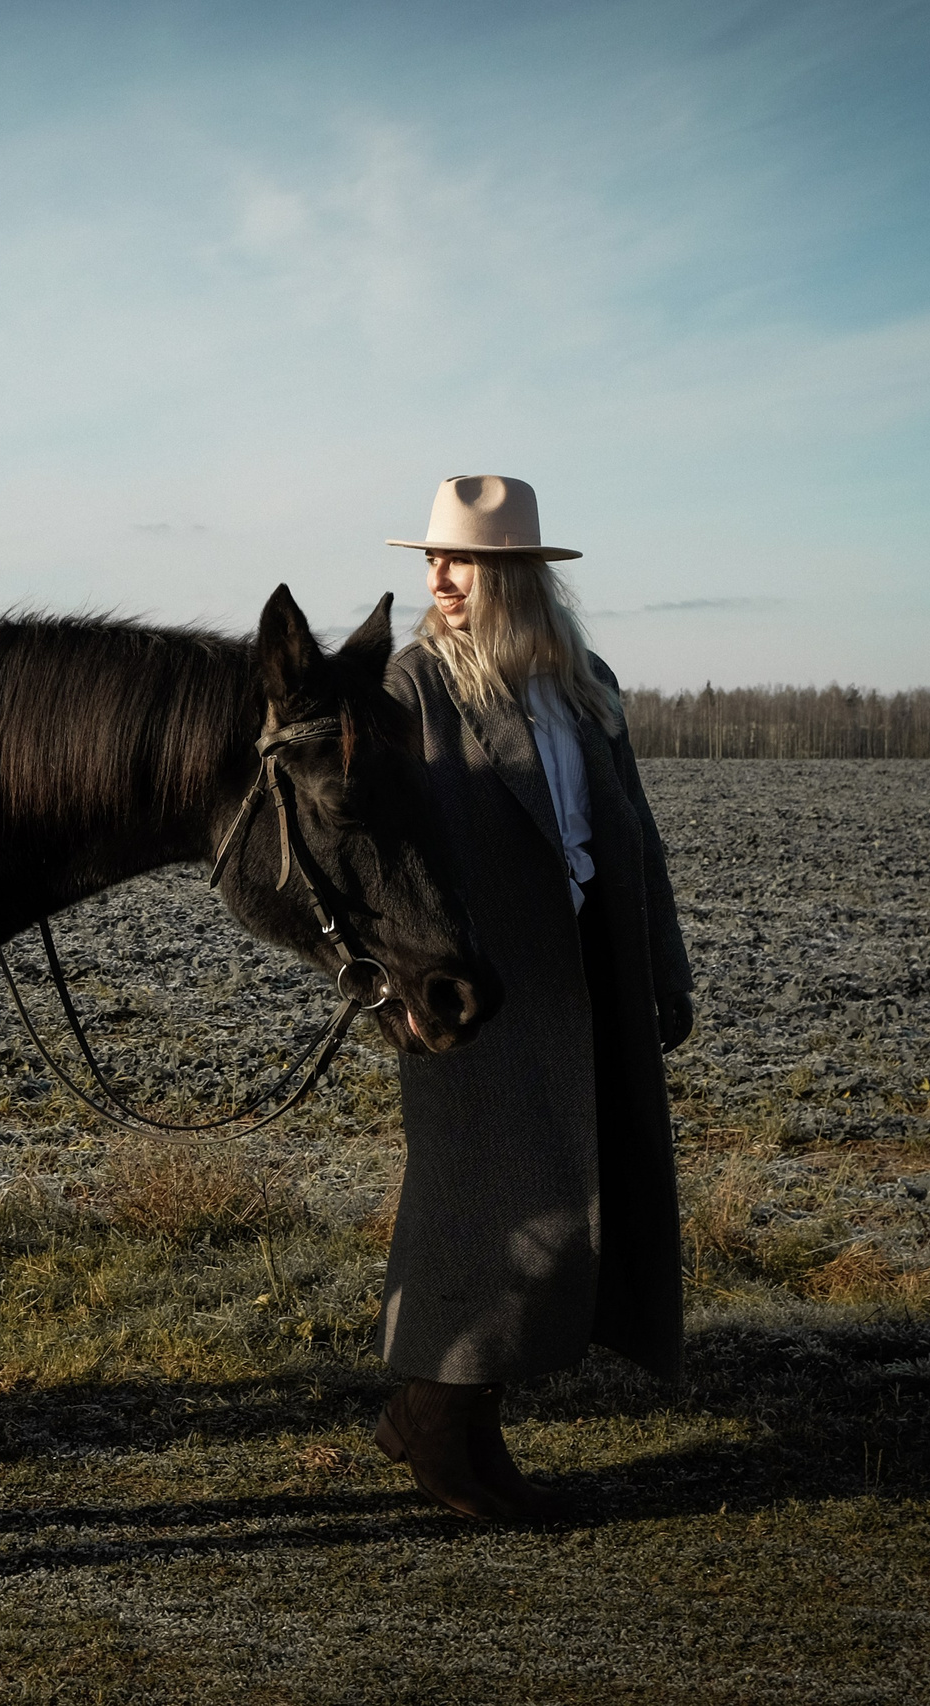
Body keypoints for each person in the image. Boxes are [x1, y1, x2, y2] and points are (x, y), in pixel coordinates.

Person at [373, 474, 696, 1523]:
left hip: (586, 981)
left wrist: (663, 969)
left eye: (455, 559)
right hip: (479, 994)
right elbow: (376, 851)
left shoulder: (584, 681)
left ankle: (454, 1418)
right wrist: (398, 982)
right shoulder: (414, 684)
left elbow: (632, 839)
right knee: (487, 1215)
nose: (435, 576)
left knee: (564, 1206)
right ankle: (439, 1428)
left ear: (510, 574)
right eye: (431, 558)